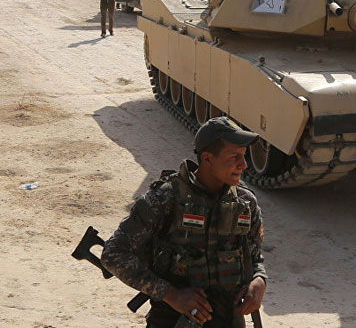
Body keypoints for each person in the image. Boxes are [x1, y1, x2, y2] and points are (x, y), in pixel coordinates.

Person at [101, 117, 267, 327]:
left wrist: (259, 280)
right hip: (173, 321)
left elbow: (254, 257)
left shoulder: (245, 202)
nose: (243, 165)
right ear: (207, 158)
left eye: (243, 156)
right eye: (235, 157)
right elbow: (113, 254)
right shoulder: (165, 199)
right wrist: (171, 294)